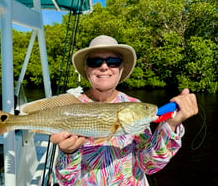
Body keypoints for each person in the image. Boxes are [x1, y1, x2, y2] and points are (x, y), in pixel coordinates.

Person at [50, 35, 198, 185]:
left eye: (113, 62)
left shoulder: (135, 106)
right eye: (94, 62)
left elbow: (149, 165)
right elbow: (66, 180)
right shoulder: (67, 108)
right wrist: (68, 153)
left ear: (121, 69)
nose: (104, 67)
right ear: (86, 68)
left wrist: (171, 125)